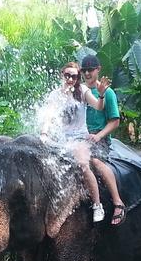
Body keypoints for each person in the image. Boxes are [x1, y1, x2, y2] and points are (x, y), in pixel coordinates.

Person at [48, 61, 116, 223]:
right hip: (61, 139)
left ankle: (97, 205)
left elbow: (99, 107)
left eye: (74, 76)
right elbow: (48, 117)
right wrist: (44, 133)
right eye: (67, 75)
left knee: (83, 164)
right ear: (62, 75)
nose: (70, 79)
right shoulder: (55, 95)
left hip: (79, 138)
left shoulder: (83, 91)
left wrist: (100, 95)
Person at [80, 54, 127, 225]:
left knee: (96, 162)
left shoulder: (108, 93)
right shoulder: (80, 91)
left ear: (98, 70)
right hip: (81, 137)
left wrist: (98, 136)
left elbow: (114, 122)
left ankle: (118, 202)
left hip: (99, 137)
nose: (87, 74)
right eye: (84, 70)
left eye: (90, 70)